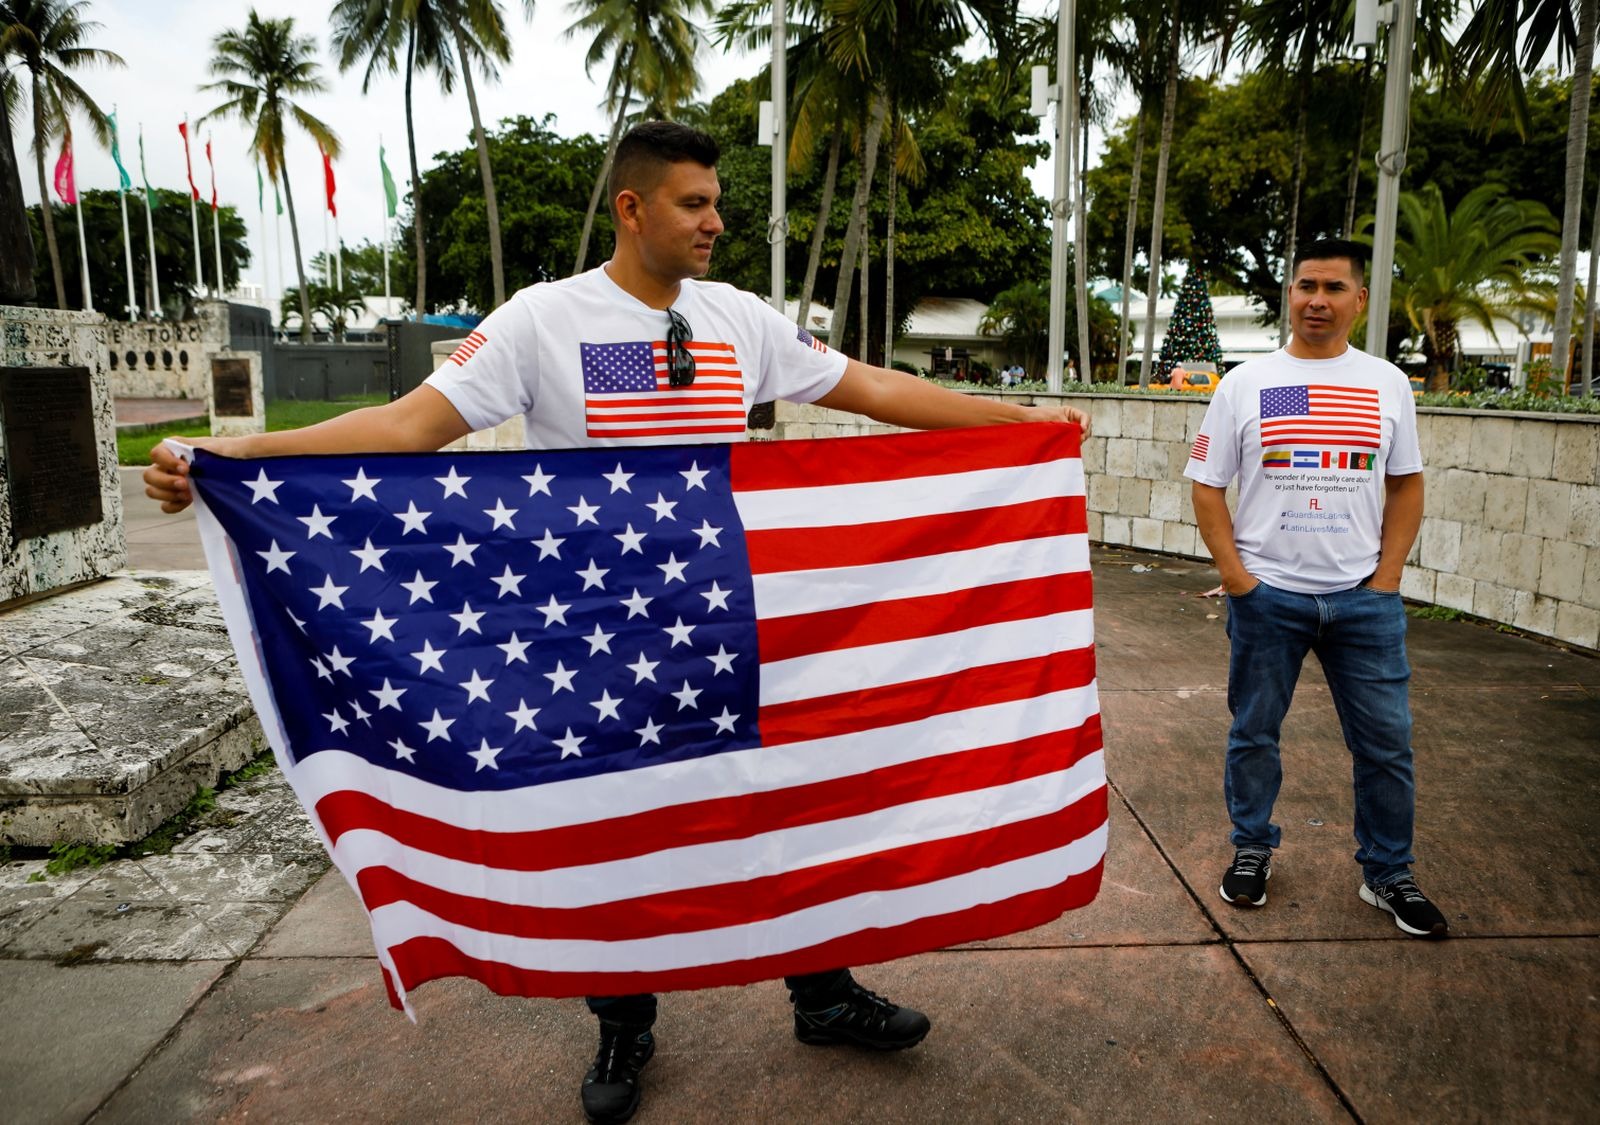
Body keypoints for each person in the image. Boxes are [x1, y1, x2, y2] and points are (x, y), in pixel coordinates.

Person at [144, 121, 1092, 1124]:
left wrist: (1020, 427)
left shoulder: (740, 317)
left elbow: (874, 386)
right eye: (693, 203)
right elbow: (408, 426)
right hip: (599, 640)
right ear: (631, 209)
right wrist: (243, 453)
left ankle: (822, 993)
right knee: (605, 822)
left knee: (778, 800)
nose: (715, 222)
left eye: (718, 202)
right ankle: (622, 1019)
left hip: (737, 622)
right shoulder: (541, 320)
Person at [1183, 238, 1448, 940]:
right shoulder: (1247, 382)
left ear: (1360, 300)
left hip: (1364, 600)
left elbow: (1407, 483)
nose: (1317, 300)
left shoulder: (1387, 383)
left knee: (1387, 745)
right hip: (1269, 599)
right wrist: (1240, 579)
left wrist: (1387, 578)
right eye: (1305, 286)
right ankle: (1251, 846)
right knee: (1254, 732)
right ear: (1289, 295)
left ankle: (1388, 871)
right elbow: (1206, 485)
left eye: (1334, 287)